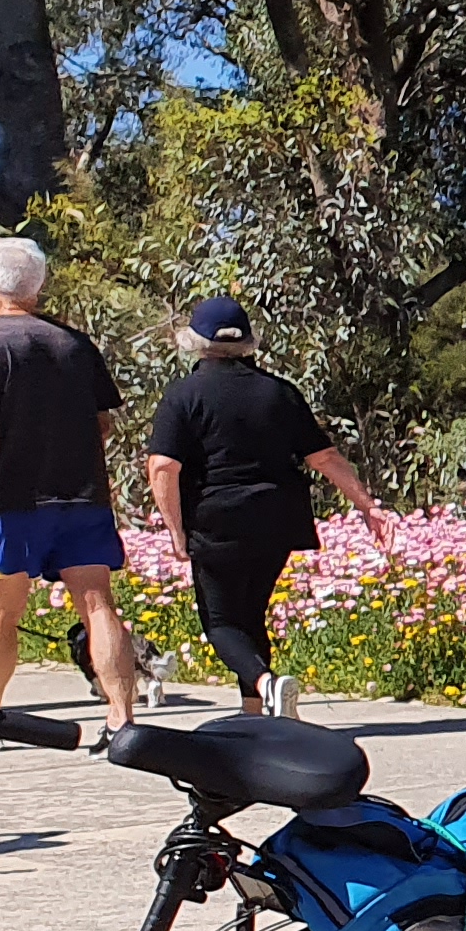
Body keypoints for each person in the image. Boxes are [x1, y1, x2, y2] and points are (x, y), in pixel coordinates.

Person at [143, 294, 394, 714]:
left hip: (215, 520)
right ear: (249, 341)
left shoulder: (183, 395)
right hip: (277, 520)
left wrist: (175, 529)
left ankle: (266, 685)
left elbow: (163, 467)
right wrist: (368, 506)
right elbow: (324, 457)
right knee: (252, 612)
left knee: (221, 621)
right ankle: (254, 710)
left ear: (194, 341)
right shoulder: (280, 393)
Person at [0, 237, 139, 733]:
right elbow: (102, 422)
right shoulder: (76, 345)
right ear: (39, 288)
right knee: (97, 603)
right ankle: (121, 718)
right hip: (81, 498)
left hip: (7, 503)